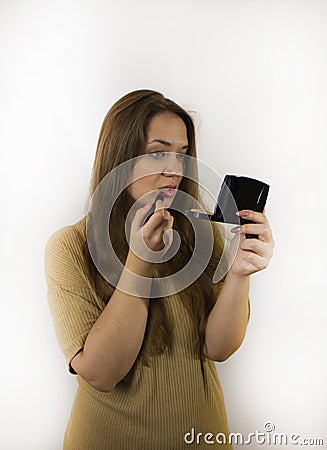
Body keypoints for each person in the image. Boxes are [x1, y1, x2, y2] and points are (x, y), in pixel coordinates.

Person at [44, 89, 274, 450]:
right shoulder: (70, 247)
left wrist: (238, 273)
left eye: (182, 155)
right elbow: (102, 374)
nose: (174, 170)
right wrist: (139, 262)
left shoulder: (200, 235)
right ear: (120, 158)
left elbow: (218, 347)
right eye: (158, 152)